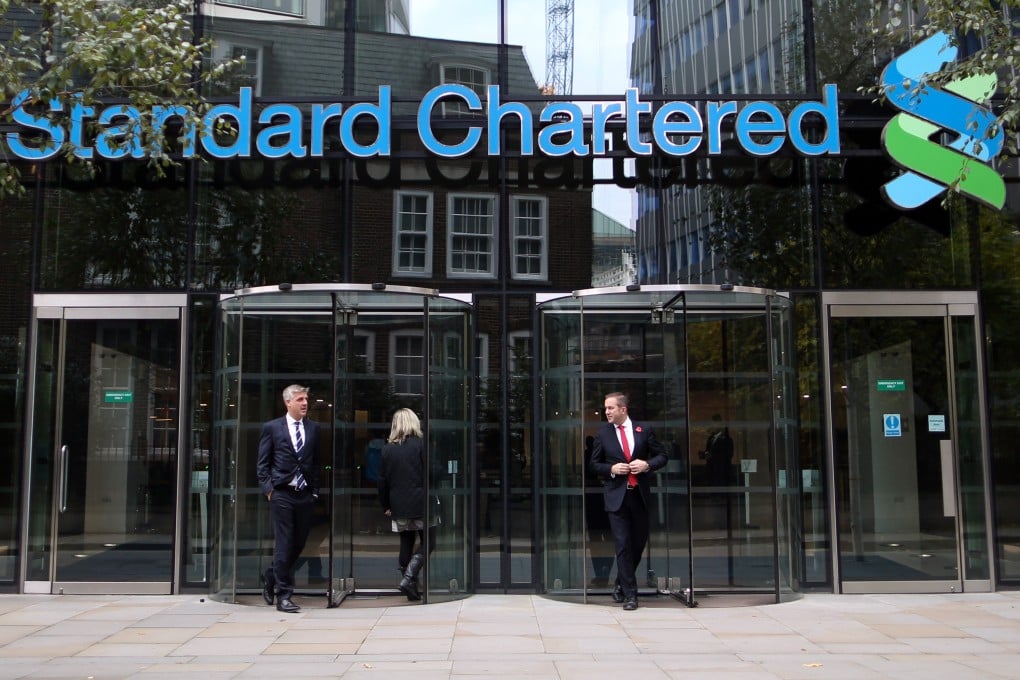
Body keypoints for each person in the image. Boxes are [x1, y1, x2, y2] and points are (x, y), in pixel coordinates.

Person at [588, 392, 668, 610]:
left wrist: (647, 465)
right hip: (616, 497)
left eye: (610, 408)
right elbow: (594, 464)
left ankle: (620, 584)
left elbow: (663, 456)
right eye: (605, 408)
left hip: (639, 496)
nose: (606, 412)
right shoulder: (603, 434)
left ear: (623, 409)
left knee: (638, 544)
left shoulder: (644, 430)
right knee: (622, 545)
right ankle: (631, 596)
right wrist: (611, 469)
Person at [257, 384, 321, 613]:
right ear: (288, 402)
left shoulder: (313, 429)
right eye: (300, 399)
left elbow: (315, 463)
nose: (305, 403)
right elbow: (262, 464)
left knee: (299, 543)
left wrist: (314, 491)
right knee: (284, 544)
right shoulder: (272, 428)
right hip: (281, 493)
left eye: (306, 399)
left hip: (304, 494)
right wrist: (269, 490)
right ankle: (284, 596)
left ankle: (270, 575)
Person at [378, 408, 436, 601]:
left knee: (406, 542)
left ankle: (409, 586)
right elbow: (434, 471)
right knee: (429, 542)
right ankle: (409, 578)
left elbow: (382, 481)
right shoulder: (421, 445)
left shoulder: (387, 449)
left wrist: (386, 504)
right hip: (422, 504)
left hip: (399, 505)